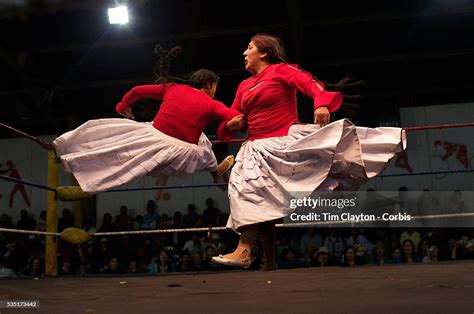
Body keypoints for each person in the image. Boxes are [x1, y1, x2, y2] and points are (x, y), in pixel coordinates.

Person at [211, 33, 406, 270]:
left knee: (251, 193)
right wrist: (230, 125)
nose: (244, 53)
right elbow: (232, 118)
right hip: (255, 148)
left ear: (264, 53)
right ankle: (267, 260)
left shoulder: (281, 70)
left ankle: (244, 250)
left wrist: (321, 103)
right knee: (254, 197)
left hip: (283, 143)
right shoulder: (244, 86)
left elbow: (311, 84)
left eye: (249, 47)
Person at [53, 45, 244, 194]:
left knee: (109, 142)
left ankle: (65, 150)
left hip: (153, 138)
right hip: (181, 152)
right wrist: (232, 124)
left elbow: (136, 91)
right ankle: (213, 169)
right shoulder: (211, 104)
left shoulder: (172, 87)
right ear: (210, 85)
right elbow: (236, 117)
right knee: (202, 144)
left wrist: (122, 105)